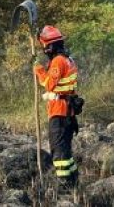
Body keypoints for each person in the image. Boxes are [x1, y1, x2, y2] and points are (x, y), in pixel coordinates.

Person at [33, 25, 80, 188]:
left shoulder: (59, 61)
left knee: (59, 152)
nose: (44, 50)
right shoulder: (68, 59)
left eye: (45, 46)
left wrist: (38, 69)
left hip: (60, 112)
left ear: (50, 46)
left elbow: (48, 84)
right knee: (66, 150)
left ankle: (64, 185)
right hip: (68, 111)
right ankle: (74, 181)